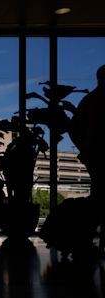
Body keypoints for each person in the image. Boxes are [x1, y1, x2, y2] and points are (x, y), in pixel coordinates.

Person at [69, 64, 105, 251]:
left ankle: (90, 235)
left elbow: (74, 128)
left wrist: (84, 147)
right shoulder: (94, 100)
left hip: (93, 153)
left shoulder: (89, 100)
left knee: (98, 192)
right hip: (97, 153)